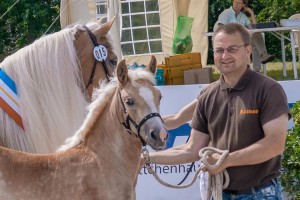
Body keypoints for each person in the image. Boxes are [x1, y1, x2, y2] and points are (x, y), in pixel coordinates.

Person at [141, 23, 290, 199]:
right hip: (221, 193)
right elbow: (192, 149)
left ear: (248, 49)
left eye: (232, 49)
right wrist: (146, 159)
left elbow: (274, 145)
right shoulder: (208, 96)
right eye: (219, 50)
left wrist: (226, 161)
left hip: (260, 193)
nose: (225, 56)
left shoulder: (268, 89)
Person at [214, 0, 275, 72]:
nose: (236, 4)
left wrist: (251, 13)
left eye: (239, 3)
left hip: (240, 40)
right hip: (227, 41)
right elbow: (220, 29)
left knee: (256, 37)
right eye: (235, 2)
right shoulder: (226, 13)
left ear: (243, 5)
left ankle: (256, 70)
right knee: (254, 36)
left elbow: (254, 28)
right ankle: (264, 56)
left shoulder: (243, 16)